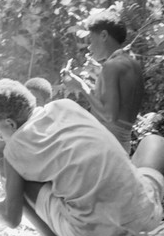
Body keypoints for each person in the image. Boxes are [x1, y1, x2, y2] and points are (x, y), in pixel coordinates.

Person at [0, 78, 164, 236]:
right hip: (146, 219)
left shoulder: (13, 151)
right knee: (156, 142)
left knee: (19, 181)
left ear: (10, 123)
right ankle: (156, 218)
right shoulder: (66, 105)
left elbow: (12, 219)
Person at [62, 10, 144, 153]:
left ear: (104, 35)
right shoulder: (132, 63)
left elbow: (108, 116)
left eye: (91, 40)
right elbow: (116, 106)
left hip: (107, 145)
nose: (89, 47)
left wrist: (81, 86)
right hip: (123, 145)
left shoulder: (111, 66)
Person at [0, 77, 53, 176]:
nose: (31, 104)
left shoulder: (47, 128)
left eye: (37, 100)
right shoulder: (14, 123)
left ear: (47, 103)